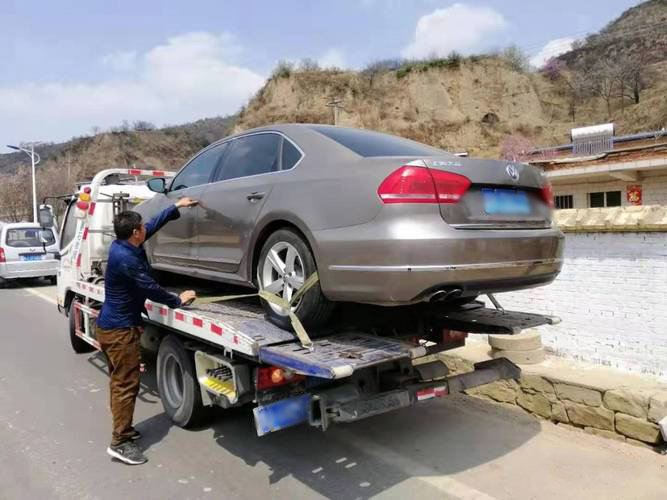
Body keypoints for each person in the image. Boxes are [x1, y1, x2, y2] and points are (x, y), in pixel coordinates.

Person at [96, 198, 198, 465]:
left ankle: (125, 430)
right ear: (134, 233)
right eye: (141, 228)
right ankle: (119, 442)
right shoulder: (126, 260)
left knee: (121, 381)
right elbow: (151, 289)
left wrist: (177, 206)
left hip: (114, 326)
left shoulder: (124, 243)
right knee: (125, 385)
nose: (145, 229)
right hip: (119, 332)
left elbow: (152, 226)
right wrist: (179, 300)